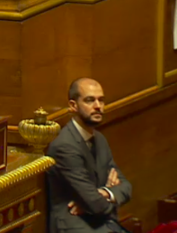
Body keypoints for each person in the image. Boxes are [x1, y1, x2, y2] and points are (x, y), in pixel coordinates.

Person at [47, 78, 132, 233]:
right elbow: (94, 204)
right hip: (74, 225)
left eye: (101, 100)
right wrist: (99, 199)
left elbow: (126, 187)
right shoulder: (64, 146)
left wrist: (104, 192)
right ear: (73, 106)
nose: (98, 106)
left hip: (100, 221)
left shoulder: (99, 139)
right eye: (90, 100)